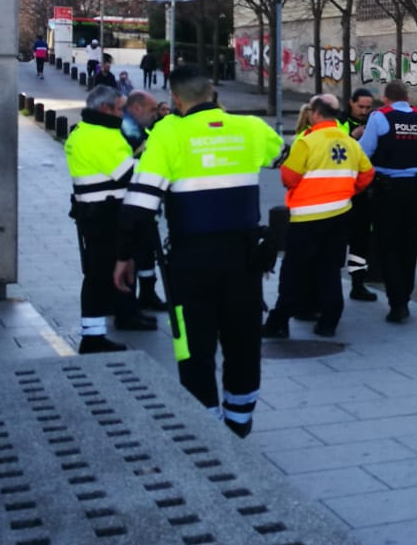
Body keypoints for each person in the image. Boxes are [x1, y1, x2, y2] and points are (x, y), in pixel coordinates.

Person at [115, 65, 283, 436]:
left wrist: (124, 255)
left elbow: (141, 204)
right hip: (245, 259)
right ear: (213, 92)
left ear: (175, 100)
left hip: (192, 261)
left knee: (194, 345)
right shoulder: (251, 128)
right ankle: (240, 422)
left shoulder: (167, 133)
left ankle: (207, 423)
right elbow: (279, 155)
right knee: (243, 341)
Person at [263, 94, 373, 339]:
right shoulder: (349, 142)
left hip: (307, 218)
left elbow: (288, 178)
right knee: (330, 269)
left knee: (293, 271)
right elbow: (367, 174)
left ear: (315, 114)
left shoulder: (307, 142)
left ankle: (279, 321)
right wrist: (348, 191)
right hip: (340, 214)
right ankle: (329, 322)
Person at [66, 86, 152, 353]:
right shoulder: (100, 135)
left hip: (98, 213)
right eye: (118, 107)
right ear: (104, 109)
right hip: (104, 216)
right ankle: (92, 338)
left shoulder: (87, 131)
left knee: (110, 270)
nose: (122, 112)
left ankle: (117, 319)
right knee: (99, 275)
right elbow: (128, 173)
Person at [358, 80, 417, 323]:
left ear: (386, 98)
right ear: (407, 97)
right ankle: (406, 295)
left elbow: (364, 152)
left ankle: (396, 301)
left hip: (388, 188)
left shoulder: (380, 117)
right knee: (409, 241)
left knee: (387, 244)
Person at [120, 90, 168, 313]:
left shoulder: (139, 127)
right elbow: (143, 157)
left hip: (143, 200)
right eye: (151, 110)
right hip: (132, 200)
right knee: (133, 251)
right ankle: (129, 304)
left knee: (147, 250)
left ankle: (147, 294)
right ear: (136, 107)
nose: (155, 114)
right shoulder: (128, 128)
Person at [343, 88, 379, 301]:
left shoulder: (373, 123)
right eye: (360, 107)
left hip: (364, 192)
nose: (364, 111)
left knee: (360, 240)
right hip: (341, 192)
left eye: (368, 107)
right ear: (351, 103)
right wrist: (351, 137)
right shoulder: (341, 123)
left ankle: (358, 285)